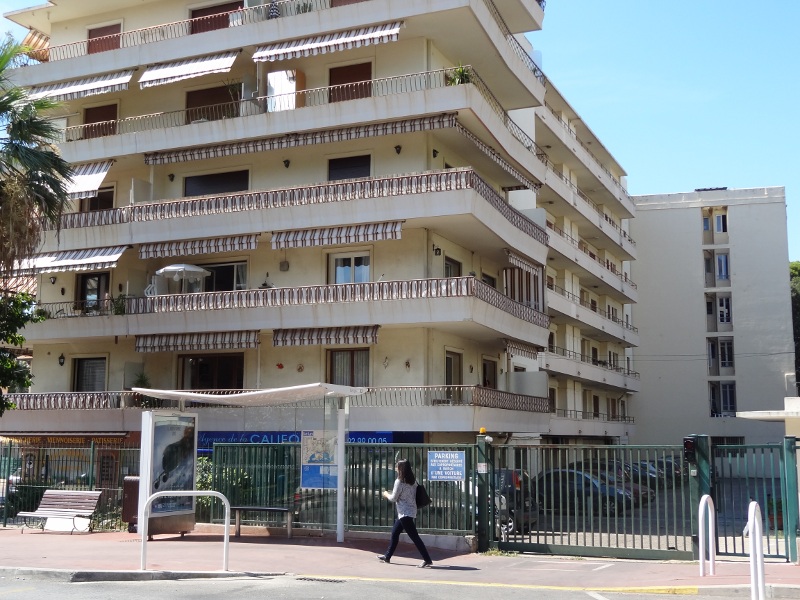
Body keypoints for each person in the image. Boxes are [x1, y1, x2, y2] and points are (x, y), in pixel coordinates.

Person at [377, 459, 433, 568]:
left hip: (404, 514)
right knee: (395, 533)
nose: (396, 469)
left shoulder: (399, 482)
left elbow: (393, 498)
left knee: (415, 537)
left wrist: (385, 494)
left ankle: (427, 559)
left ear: (400, 469)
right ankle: (387, 556)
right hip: (409, 512)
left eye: (397, 467)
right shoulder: (413, 481)